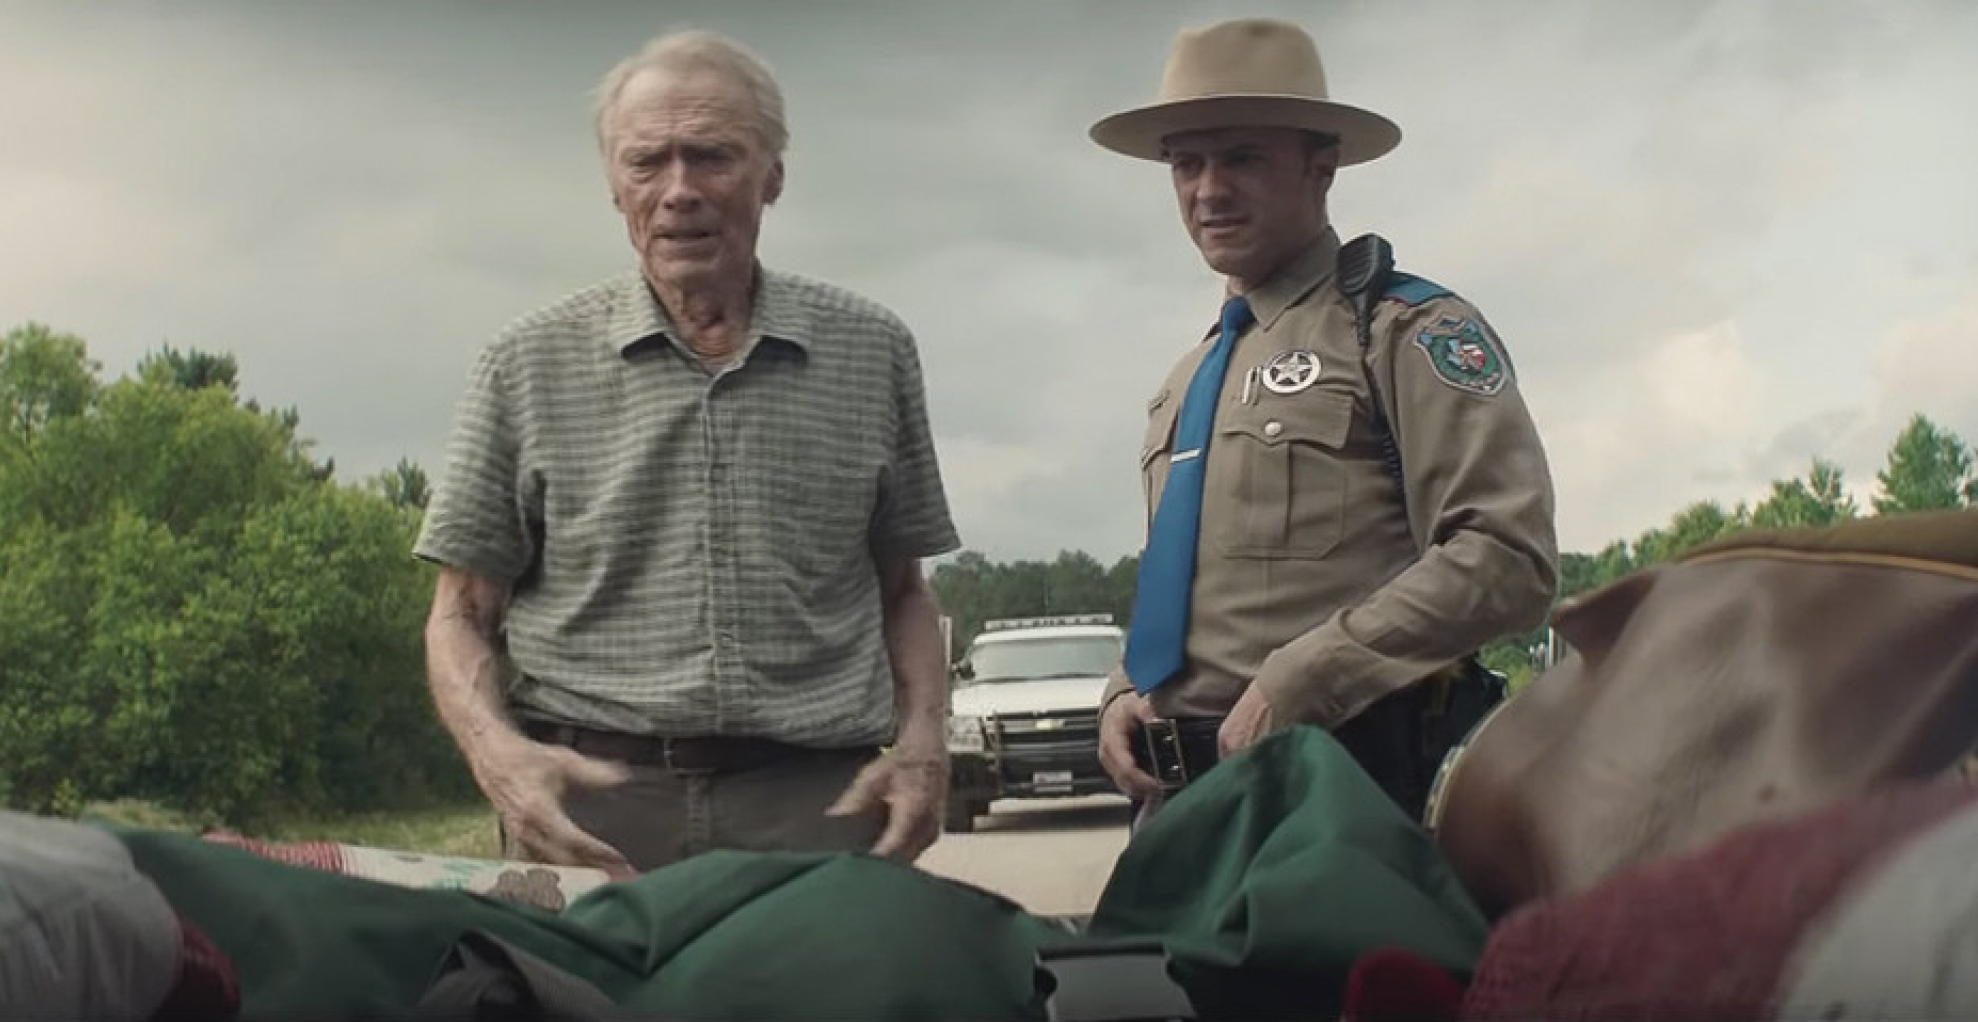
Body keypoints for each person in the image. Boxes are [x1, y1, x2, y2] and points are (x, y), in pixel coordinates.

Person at [414, 29, 962, 876]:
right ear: (613, 184)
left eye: (712, 157)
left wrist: (925, 744)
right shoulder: (525, 363)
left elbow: (904, 593)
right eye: (647, 162)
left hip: (818, 802)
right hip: (592, 802)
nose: (679, 192)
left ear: (772, 174)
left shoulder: (871, 350)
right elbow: (459, 614)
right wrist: (500, 759)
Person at [1086, 17, 1559, 823]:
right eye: (1186, 163)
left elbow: (1508, 557)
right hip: (1178, 809)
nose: (1208, 190)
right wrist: (1126, 689)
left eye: (1242, 157)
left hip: (1342, 795)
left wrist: (1310, 675)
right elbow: (1195, 586)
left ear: (1322, 163)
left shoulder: (1402, 331)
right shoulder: (1188, 379)